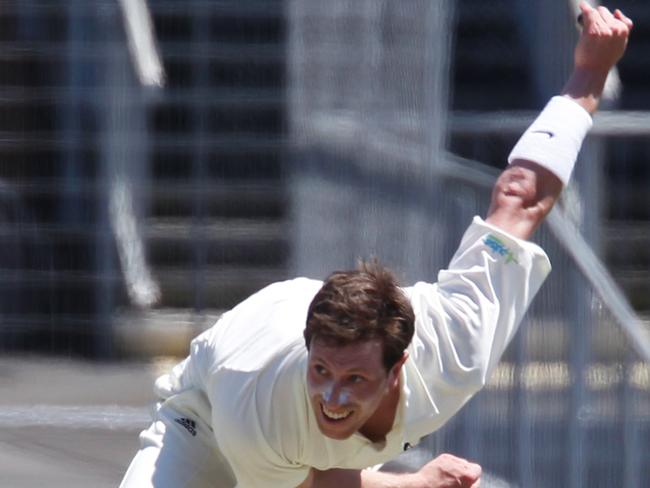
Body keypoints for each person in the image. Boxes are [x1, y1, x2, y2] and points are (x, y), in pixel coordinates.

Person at [120, 3, 633, 487]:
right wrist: (412, 482)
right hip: (205, 425)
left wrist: (586, 77)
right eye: (321, 369)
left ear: (399, 368)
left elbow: (520, 198)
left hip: (286, 455)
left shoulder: (457, 344)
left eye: (355, 377)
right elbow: (304, 481)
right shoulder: (259, 390)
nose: (333, 396)